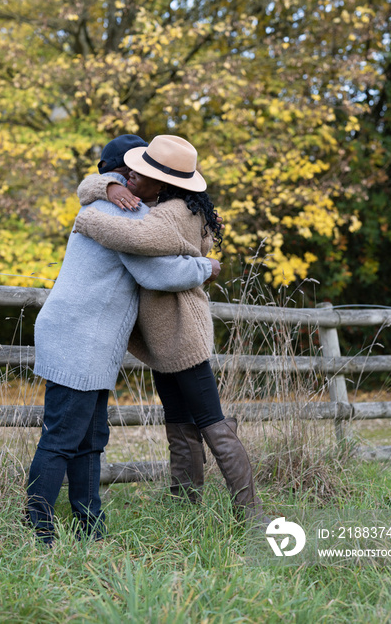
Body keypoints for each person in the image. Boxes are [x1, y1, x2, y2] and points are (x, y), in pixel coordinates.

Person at [27, 134, 219, 546]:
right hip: (79, 336)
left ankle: (89, 526)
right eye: (130, 170)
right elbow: (158, 276)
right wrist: (205, 266)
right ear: (119, 174)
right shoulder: (125, 217)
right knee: (62, 437)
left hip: (86, 339)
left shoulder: (113, 206)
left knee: (90, 438)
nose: (135, 176)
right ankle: (38, 530)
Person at [74, 134, 269, 525]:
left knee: (212, 421)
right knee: (179, 421)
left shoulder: (173, 213)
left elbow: (134, 235)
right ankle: (186, 506)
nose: (131, 177)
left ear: (164, 182)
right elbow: (88, 186)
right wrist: (108, 187)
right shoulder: (166, 204)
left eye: (141, 174)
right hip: (165, 337)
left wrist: (85, 218)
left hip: (183, 335)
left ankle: (252, 516)